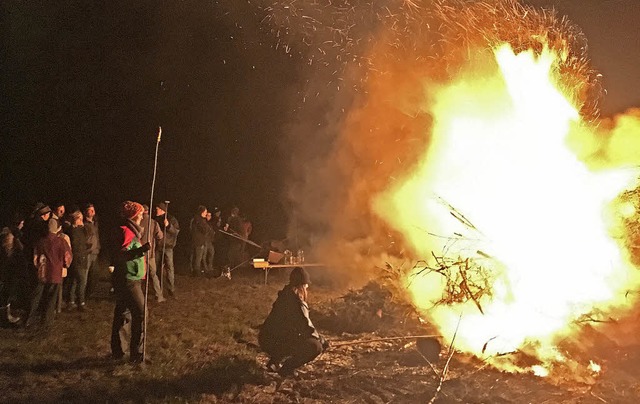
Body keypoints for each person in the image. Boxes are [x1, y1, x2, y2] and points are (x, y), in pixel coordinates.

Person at [258, 267, 329, 377]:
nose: (307, 288)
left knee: (290, 335)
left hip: (266, 338)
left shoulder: (285, 294)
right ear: (301, 286)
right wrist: (320, 339)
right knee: (315, 346)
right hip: (274, 341)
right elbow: (306, 327)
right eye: (306, 286)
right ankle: (287, 368)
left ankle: (275, 361)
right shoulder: (297, 302)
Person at [110, 201, 150, 363]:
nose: (142, 217)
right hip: (128, 280)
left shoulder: (132, 231)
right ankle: (137, 353)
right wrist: (141, 250)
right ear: (134, 216)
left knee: (123, 313)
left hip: (131, 278)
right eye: (140, 214)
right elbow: (121, 256)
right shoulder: (126, 231)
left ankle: (119, 351)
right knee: (141, 314)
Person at [25, 220, 72, 330]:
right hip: (55, 274)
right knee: (51, 298)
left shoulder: (41, 241)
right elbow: (67, 257)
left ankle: (29, 318)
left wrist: (38, 267)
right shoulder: (61, 241)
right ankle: (47, 322)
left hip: (43, 273)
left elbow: (36, 257)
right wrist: (65, 266)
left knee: (36, 296)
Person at [141, 204, 165, 302]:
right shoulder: (153, 223)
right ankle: (158, 295)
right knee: (153, 274)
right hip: (150, 254)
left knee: (140, 275)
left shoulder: (137, 222)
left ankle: (140, 295)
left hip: (139, 253)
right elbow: (160, 236)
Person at [154, 202, 179, 297]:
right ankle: (158, 287)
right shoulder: (155, 219)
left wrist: (168, 226)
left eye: (157, 209)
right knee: (156, 267)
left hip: (168, 247)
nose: (156, 210)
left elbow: (176, 232)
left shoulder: (171, 219)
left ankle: (171, 288)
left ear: (162, 210)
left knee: (169, 268)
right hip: (158, 246)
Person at [66, 210, 89, 310]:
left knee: (74, 280)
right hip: (78, 258)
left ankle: (71, 301)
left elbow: (88, 233)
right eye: (81, 218)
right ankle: (81, 302)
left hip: (78, 257)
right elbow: (77, 245)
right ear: (78, 219)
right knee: (81, 281)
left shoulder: (77, 230)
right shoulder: (74, 231)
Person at [83, 203, 101, 299]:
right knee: (85, 276)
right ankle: (81, 296)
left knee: (95, 274)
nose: (93, 212)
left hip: (95, 252)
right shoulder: (83, 224)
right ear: (86, 212)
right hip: (88, 252)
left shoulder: (95, 223)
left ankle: (89, 294)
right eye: (90, 210)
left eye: (93, 210)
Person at [190, 205, 209, 276]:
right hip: (199, 241)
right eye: (205, 212)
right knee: (198, 258)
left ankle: (197, 271)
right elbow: (205, 230)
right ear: (202, 212)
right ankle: (196, 273)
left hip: (197, 240)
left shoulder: (195, 219)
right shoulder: (200, 220)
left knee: (197, 257)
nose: (206, 213)